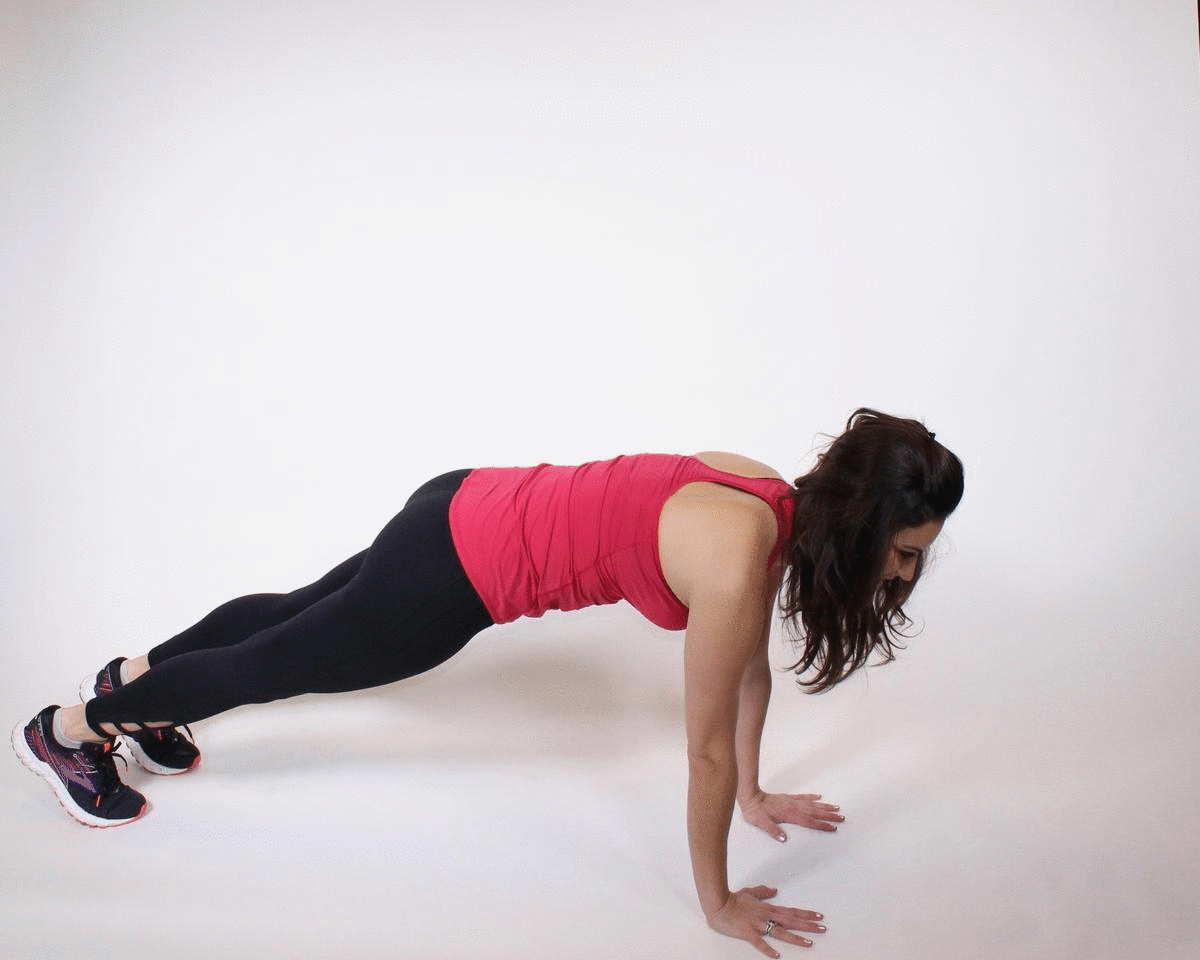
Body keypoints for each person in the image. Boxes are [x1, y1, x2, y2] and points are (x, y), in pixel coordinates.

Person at [12, 407, 963, 958]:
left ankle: (136, 680)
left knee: (295, 616)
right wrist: (716, 904)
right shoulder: (736, 563)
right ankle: (73, 730)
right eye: (903, 551)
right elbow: (706, 748)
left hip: (464, 499)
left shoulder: (762, 491)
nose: (904, 574)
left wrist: (755, 794)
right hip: (455, 575)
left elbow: (748, 670)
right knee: (277, 662)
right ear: (858, 527)